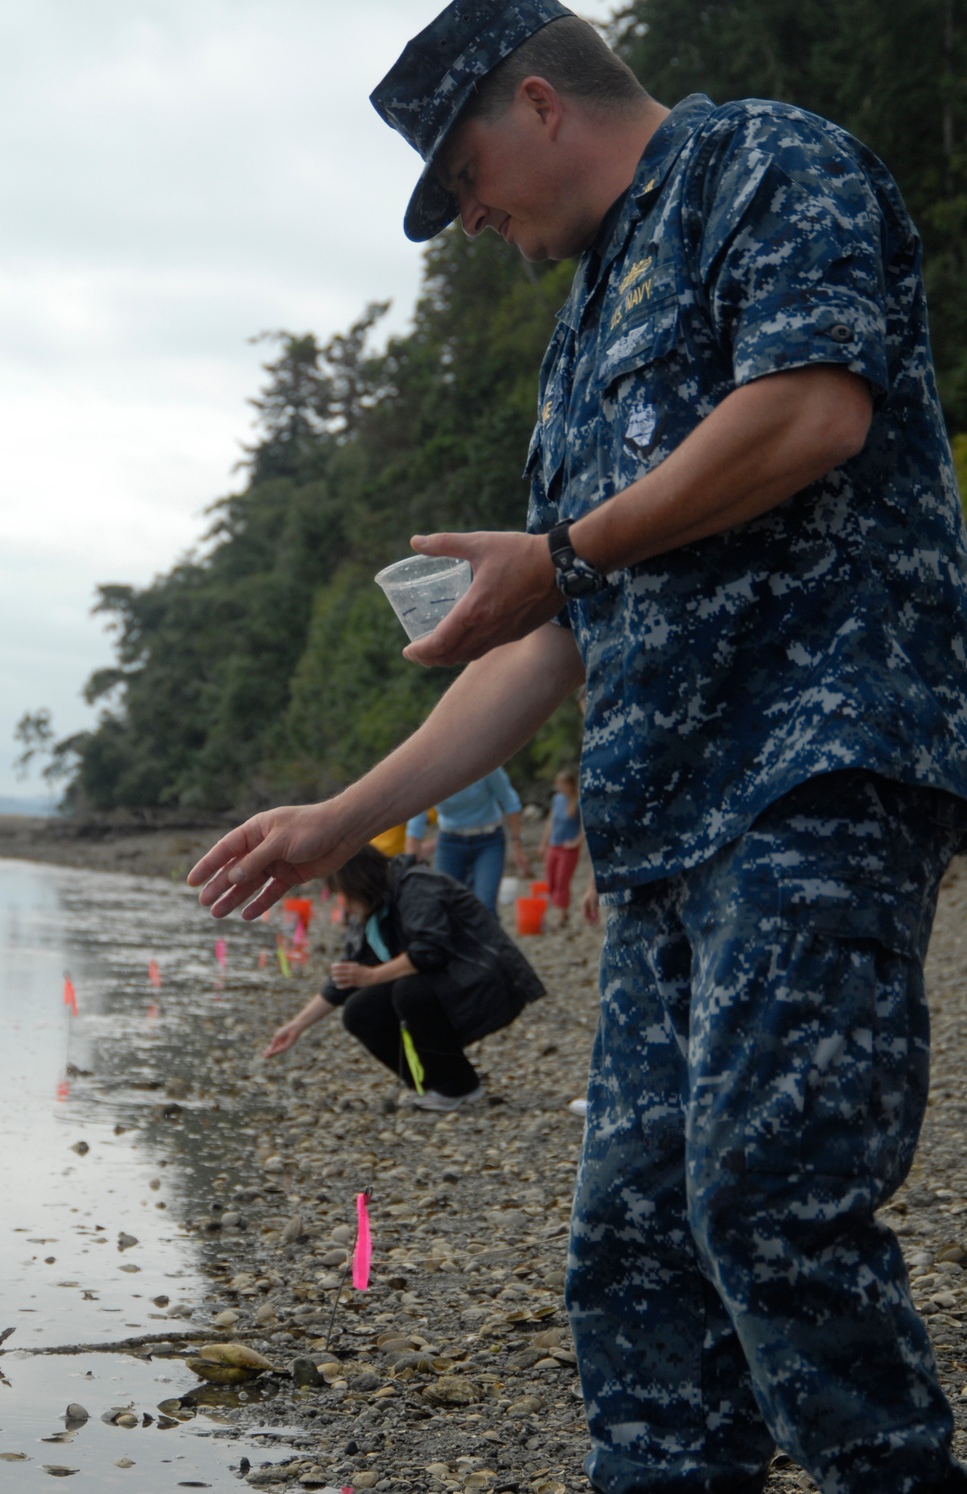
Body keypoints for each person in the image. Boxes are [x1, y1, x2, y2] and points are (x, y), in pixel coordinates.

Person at [189, 4, 967, 1490]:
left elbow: (808, 411)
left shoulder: (770, 165)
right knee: (626, 1242)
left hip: (818, 770)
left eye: (464, 175)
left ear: (538, 101)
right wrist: (333, 816)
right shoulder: (579, 341)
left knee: (769, 1208)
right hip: (662, 828)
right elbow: (552, 631)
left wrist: (564, 552)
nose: (468, 215)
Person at [263, 845, 544, 1111]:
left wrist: (372, 975)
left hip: (492, 985)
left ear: (360, 884)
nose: (345, 905)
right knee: (359, 1011)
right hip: (450, 984)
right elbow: (346, 978)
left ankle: (458, 1087)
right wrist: (296, 1026)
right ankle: (434, 1084)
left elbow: (429, 951)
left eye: (345, 895)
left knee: (409, 991)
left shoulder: (417, 885)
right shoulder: (374, 912)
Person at [405, 767, 530, 913]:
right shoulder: (429, 775)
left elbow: (510, 801)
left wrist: (517, 846)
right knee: (445, 903)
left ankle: (487, 933)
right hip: (450, 842)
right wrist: (410, 865)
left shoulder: (485, 765)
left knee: (485, 904)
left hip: (488, 840)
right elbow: (416, 822)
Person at [538, 767, 583, 926]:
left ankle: (562, 916)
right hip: (554, 845)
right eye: (559, 784)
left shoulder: (578, 802)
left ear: (571, 785)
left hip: (568, 848)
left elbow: (585, 826)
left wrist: (577, 842)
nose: (561, 788)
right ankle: (546, 914)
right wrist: (544, 843)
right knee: (549, 878)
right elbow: (550, 822)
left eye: (564, 784)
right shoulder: (557, 799)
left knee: (562, 880)